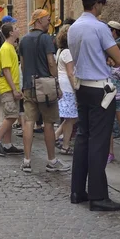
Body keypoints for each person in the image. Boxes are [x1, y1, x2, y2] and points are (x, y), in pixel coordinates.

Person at [68, 0, 120, 212]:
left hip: (81, 87)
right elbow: (119, 59)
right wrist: (107, 58)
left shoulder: (74, 28)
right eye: (103, 3)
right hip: (100, 88)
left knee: (83, 138)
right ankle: (98, 196)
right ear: (98, 4)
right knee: (99, 143)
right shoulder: (100, 27)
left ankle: (77, 191)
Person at [19, 10, 69, 174]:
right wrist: (57, 84)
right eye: (47, 19)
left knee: (28, 122)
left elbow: (24, 65)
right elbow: (51, 63)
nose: (49, 22)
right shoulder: (46, 39)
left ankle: (26, 161)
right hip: (46, 86)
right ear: (39, 21)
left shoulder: (24, 39)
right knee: (48, 123)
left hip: (29, 86)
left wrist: (26, 81)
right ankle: (51, 161)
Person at [0, 25, 23, 154]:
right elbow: (6, 70)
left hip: (10, 86)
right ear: (11, 32)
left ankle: (7, 144)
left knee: (10, 115)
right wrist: (14, 89)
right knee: (12, 116)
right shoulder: (7, 48)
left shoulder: (9, 47)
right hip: (8, 87)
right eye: (16, 28)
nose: (19, 29)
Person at [55, 25, 78, 155]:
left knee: (71, 117)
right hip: (68, 88)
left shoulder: (60, 51)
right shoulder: (68, 52)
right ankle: (65, 145)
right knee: (71, 118)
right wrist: (76, 88)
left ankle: (56, 135)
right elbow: (70, 73)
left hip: (63, 86)